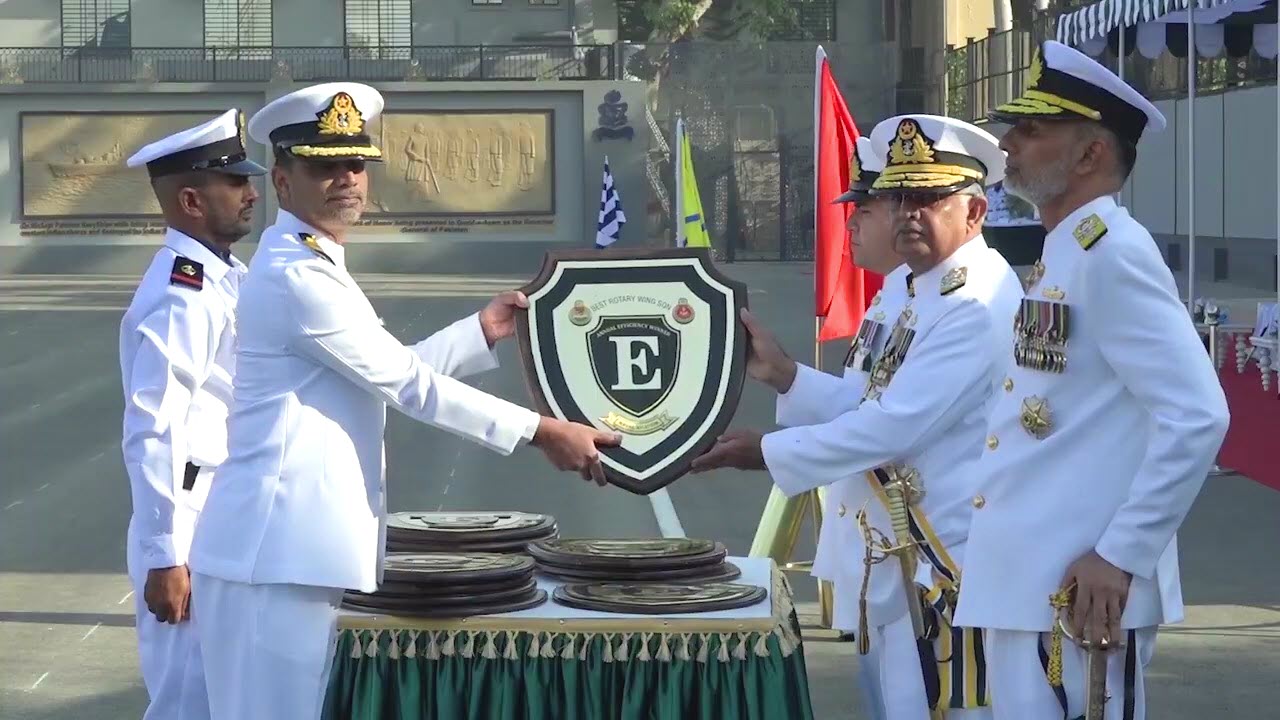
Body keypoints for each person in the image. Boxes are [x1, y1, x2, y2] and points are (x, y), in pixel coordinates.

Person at [186, 82, 620, 720]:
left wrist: (481, 331)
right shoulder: (296, 276)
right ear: (281, 181)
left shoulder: (313, 263)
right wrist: (544, 431)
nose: (346, 179)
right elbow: (408, 387)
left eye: (355, 163)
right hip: (270, 562)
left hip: (289, 553)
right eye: (323, 165)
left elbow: (380, 374)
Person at [691, 114, 1022, 719]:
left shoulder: (974, 303)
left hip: (940, 563)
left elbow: (893, 427)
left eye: (927, 198)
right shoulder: (911, 288)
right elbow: (868, 401)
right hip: (894, 560)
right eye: (899, 199)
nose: (907, 214)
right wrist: (785, 374)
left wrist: (763, 452)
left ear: (974, 213)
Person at [952, 41, 1230, 720]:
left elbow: (1198, 414)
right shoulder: (1069, 250)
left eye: (1032, 130)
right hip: (1033, 585)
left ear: (1090, 155)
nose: (1009, 143)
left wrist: (1122, 553)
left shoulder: (1111, 254)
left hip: (1079, 594)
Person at [119, 108, 266, 720]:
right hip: (191, 518)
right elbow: (153, 427)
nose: (251, 193)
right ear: (190, 200)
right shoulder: (183, 295)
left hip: (222, 511)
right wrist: (164, 555)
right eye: (234, 183)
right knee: (190, 702)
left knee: (228, 697)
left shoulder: (223, 276)